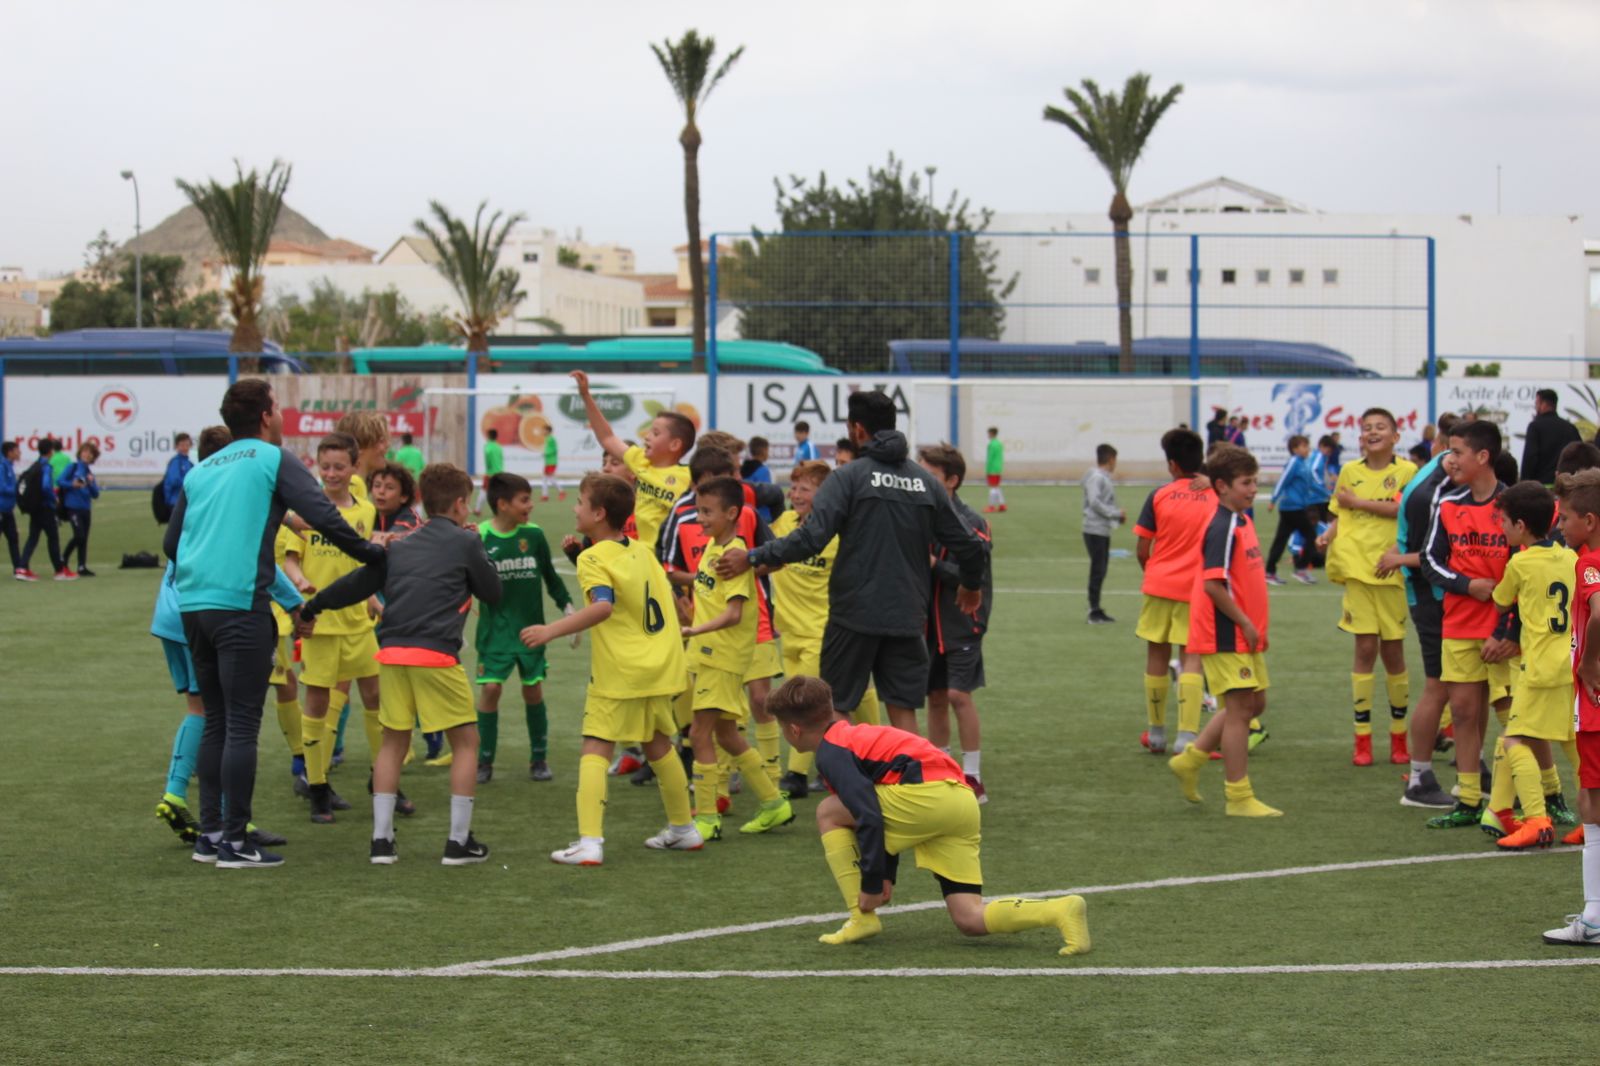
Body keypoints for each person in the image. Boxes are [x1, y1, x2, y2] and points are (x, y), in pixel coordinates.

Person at [163, 378, 382, 868]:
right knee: (242, 724)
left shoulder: (203, 469)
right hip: (240, 608)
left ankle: (211, 835)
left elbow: (172, 544)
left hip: (194, 607)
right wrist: (372, 555)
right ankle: (236, 843)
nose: (280, 416)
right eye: (277, 408)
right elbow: (322, 515)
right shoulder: (271, 457)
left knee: (216, 719)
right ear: (265, 417)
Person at [717, 390, 987, 736]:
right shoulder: (924, 482)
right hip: (907, 614)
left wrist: (753, 556)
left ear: (857, 429)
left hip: (853, 615)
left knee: (837, 705)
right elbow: (971, 546)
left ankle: (843, 773)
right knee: (902, 709)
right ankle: (907, 772)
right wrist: (971, 585)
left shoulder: (848, 477)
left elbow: (810, 539)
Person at [768, 675, 1090, 954]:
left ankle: (860, 916)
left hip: (926, 798)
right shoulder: (855, 736)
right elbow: (882, 796)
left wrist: (871, 885)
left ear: (794, 730)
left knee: (828, 811)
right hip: (960, 800)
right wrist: (886, 875)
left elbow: (869, 815)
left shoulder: (832, 751)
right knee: (969, 918)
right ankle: (1060, 910)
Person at [300, 463, 502, 866]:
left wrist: (313, 606)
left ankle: (382, 842)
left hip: (391, 653)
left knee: (393, 742)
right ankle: (458, 842)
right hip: (437, 654)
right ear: (460, 504)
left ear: (422, 500)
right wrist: (479, 550)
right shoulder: (466, 541)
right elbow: (493, 592)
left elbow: (356, 584)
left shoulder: (400, 544)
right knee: (466, 743)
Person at [524, 472, 702, 866]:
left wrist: (550, 630)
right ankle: (684, 829)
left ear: (599, 513)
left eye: (580, 502)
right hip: (659, 665)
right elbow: (643, 595)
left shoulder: (593, 557)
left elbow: (603, 606)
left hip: (623, 669)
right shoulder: (641, 551)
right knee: (658, 743)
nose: (575, 508)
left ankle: (589, 842)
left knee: (595, 744)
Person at [153, 425, 293, 851]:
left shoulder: (199, 489)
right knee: (227, 718)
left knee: (206, 710)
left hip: (173, 612)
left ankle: (189, 800)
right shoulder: (232, 493)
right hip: (209, 609)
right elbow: (255, 560)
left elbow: (173, 545)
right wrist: (297, 603)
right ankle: (228, 822)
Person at [1167, 444, 1281, 817]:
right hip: (1225, 632)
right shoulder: (1222, 526)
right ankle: (1238, 797)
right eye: (1246, 483)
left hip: (1245, 634)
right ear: (1222, 486)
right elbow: (1213, 585)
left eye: (1255, 481)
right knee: (1240, 710)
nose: (1253, 489)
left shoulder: (1242, 520)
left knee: (1254, 704)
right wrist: (1245, 622)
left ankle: (1191, 758)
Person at [678, 476, 795, 841]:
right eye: (698, 510)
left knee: (700, 734)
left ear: (731, 513)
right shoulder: (714, 548)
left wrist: (695, 630)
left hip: (721, 657)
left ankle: (707, 818)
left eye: (707, 512)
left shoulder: (735, 555)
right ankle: (774, 803)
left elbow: (733, 614)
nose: (700, 518)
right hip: (708, 655)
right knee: (727, 735)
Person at [289, 432, 392, 825]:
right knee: (317, 701)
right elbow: (290, 559)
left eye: (338, 467)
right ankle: (317, 785)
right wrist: (300, 583)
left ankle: (383, 780)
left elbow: (363, 567)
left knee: (376, 696)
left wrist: (374, 601)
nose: (331, 474)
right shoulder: (305, 511)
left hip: (358, 624)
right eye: (325, 467)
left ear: (354, 468)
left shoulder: (365, 510)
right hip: (319, 624)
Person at [770, 460, 883, 798]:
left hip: (822, 631)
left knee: (803, 701)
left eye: (805, 489)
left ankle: (796, 774)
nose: (795, 494)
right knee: (854, 692)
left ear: (825, 495)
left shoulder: (836, 534)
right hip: (789, 631)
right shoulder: (783, 523)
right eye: (793, 487)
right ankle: (878, 750)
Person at [1420, 419, 1512, 829]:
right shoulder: (1447, 504)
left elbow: (1528, 568)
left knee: (1513, 718)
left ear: (1483, 456)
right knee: (1462, 712)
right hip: (1458, 625)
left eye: (1457, 452)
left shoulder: (1513, 505)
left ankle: (1532, 797)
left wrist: (1507, 630)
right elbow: (1430, 560)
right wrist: (1466, 584)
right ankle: (1470, 798)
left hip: (1503, 633)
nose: (1450, 459)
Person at [1317, 408, 1417, 768]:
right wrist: (1328, 534)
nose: (1373, 432)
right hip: (1357, 572)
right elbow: (1341, 514)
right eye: (1367, 428)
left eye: (1380, 427)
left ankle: (1398, 735)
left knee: (1393, 652)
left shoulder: (1407, 471)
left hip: (1390, 572)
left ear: (1395, 437)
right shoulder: (1349, 471)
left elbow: (1402, 511)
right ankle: (1362, 738)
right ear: (1360, 437)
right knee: (1363, 649)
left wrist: (1357, 503)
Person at [1484, 481, 1578, 849]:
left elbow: (1500, 601)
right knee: (1573, 740)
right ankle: (1595, 818)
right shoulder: (1570, 558)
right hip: (1570, 662)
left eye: (1504, 522)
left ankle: (1537, 819)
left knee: (1515, 739)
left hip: (1538, 667)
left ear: (1521, 526)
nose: (1501, 527)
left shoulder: (1520, 563)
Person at [1380, 412, 1461, 808]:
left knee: (1466, 686)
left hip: (1448, 596)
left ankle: (1473, 771)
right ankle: (1419, 779)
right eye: (1456, 452)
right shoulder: (1430, 490)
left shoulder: (1443, 478)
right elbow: (1422, 555)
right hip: (1432, 597)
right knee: (1440, 686)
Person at [474, 472, 574, 785]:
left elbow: (550, 577)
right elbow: (463, 582)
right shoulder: (479, 537)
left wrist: (567, 608)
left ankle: (539, 758)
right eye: (524, 500)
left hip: (531, 630)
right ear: (503, 504)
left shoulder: (534, 535)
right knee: (491, 689)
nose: (530, 505)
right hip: (494, 633)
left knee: (533, 689)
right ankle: (484, 760)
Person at [1133, 428, 1216, 755]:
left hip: (1159, 585)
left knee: (1156, 654)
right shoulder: (1216, 496)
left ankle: (1156, 733)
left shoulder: (1159, 495)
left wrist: (1154, 573)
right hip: (1198, 589)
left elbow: (1143, 548)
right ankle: (1187, 736)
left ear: (1172, 464)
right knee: (1191, 658)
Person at [919, 444, 994, 803]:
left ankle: (973, 776)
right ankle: (942, 771)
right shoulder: (919, 517)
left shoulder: (972, 522)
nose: (922, 481)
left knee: (957, 695)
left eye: (930, 476)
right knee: (935, 697)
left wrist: (935, 565)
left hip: (963, 621)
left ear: (952, 480)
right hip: (925, 623)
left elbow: (973, 572)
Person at [1544, 468, 1600, 944]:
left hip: (1597, 703)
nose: (1559, 525)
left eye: (1565, 517)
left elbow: (1599, 610)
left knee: (1591, 803)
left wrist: (1588, 662)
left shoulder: (1588, 563)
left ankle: (1595, 917)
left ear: (1590, 520)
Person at [570, 369, 694, 552]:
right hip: (645, 556)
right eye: (649, 431)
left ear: (675, 444)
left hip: (672, 556)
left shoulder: (689, 477)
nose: (647, 436)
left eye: (656, 433)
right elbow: (607, 437)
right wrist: (586, 396)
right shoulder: (640, 461)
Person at [1263, 435, 1319, 587]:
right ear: (1294, 449)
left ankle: (1270, 572)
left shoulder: (1303, 463)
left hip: (1296, 507)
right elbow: (1283, 480)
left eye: (1307, 446)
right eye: (1304, 446)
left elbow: (1308, 485)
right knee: (1311, 535)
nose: (1307, 449)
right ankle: (1301, 569)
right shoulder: (1294, 462)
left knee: (1281, 540)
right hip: (1292, 508)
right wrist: (1273, 499)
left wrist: (1325, 493)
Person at [1081, 443, 1125, 625]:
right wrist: (1115, 513)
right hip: (1094, 529)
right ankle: (1093, 610)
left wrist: (1115, 517)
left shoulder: (1100, 478)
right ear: (1111, 459)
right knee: (1098, 570)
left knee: (1101, 569)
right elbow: (1094, 502)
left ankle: (1096, 608)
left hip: (1101, 529)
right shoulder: (1097, 478)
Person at [17, 437, 71, 581]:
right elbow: (46, 486)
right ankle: (59, 571)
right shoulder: (46, 467)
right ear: (51, 451)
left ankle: (22, 567)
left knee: (33, 538)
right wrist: (54, 498)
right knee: (53, 538)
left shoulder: (35, 465)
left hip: (34, 507)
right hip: (45, 508)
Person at [1521, 388, 1582, 486]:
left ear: (1544, 404)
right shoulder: (1570, 428)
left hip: (1541, 488)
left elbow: (1530, 458)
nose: (1535, 407)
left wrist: (1524, 484)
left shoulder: (1535, 427)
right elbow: (1581, 456)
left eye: (1537, 403)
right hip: (1566, 487)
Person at [58, 442, 101, 576]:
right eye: (85, 451)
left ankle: (81, 566)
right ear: (80, 453)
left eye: (90, 453)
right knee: (79, 535)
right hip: (73, 507)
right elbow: (60, 481)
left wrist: (90, 483)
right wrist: (72, 485)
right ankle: (63, 558)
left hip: (85, 508)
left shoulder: (89, 473)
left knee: (84, 538)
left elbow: (96, 494)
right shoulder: (73, 467)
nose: (87, 455)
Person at [370, 463, 422, 542]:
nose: (381, 491)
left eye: (389, 488)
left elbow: (391, 539)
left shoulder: (411, 519)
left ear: (404, 497)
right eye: (377, 486)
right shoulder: (369, 514)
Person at [162, 434, 194, 516]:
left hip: (185, 501)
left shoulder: (189, 463)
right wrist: (191, 484)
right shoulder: (176, 462)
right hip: (175, 502)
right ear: (176, 446)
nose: (185, 448)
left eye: (187, 445)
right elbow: (174, 481)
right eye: (182, 445)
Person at [1, 441, 20, 576]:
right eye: (16, 450)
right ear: (9, 452)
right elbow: (2, 487)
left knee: (13, 538)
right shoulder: (2, 467)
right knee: (12, 538)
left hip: (8, 510)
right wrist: (17, 490)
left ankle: (18, 568)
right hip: (1, 509)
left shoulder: (10, 466)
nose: (19, 453)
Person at [481, 427, 505, 513]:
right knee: (499, 492)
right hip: (499, 472)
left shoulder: (487, 447)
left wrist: (488, 470)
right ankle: (500, 508)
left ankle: (478, 509)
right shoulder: (499, 447)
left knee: (484, 490)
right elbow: (501, 459)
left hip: (490, 473)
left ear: (488, 436)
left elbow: (488, 460)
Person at [984, 427, 1006, 513]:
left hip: (992, 468)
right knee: (997, 487)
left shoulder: (992, 444)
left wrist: (987, 470)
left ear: (991, 433)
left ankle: (991, 506)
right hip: (998, 468)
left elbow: (990, 458)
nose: (988, 435)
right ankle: (1002, 505)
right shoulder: (999, 444)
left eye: (988, 433)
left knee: (992, 488)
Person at [541, 430, 561, 502]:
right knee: (545, 479)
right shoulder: (547, 439)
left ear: (548, 431)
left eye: (544, 430)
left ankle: (561, 491)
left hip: (551, 462)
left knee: (550, 478)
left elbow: (555, 450)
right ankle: (545, 495)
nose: (543, 432)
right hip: (548, 462)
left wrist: (546, 453)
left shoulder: (551, 439)